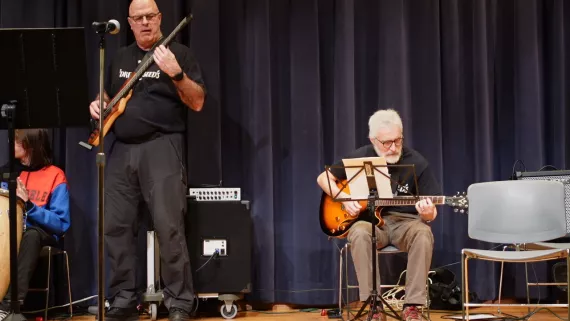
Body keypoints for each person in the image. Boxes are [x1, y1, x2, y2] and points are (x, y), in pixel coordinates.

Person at [88, 0, 206, 320]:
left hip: (162, 146)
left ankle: (179, 302)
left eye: (149, 16)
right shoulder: (120, 57)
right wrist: (99, 104)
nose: (144, 22)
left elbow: (196, 102)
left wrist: (176, 74)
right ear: (129, 22)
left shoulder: (178, 54)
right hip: (121, 148)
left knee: (169, 227)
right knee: (115, 226)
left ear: (159, 18)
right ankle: (124, 297)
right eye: (137, 18)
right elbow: (110, 98)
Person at [317, 109, 441, 321]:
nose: (393, 147)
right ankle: (373, 306)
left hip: (405, 223)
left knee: (423, 232)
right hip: (370, 223)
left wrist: (429, 213)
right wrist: (345, 199)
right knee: (359, 233)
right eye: (386, 143)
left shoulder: (418, 162)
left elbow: (431, 212)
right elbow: (323, 178)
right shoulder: (361, 156)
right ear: (373, 139)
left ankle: (412, 306)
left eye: (397, 141)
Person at [0, 129, 70, 321]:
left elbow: (61, 223)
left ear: (29, 144)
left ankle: (8, 307)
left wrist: (29, 205)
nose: (10, 143)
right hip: (9, 232)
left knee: (31, 234)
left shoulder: (55, 175)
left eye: (15, 140)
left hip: (41, 234)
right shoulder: (7, 173)